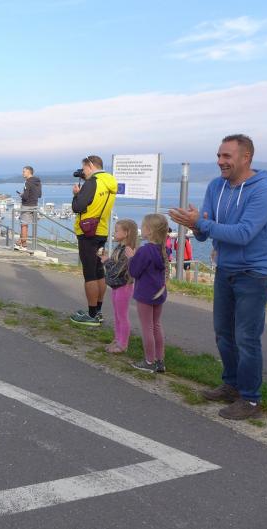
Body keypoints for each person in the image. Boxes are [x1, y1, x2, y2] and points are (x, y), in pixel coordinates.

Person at [169, 134, 267, 420]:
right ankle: (232, 385)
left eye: (226, 156)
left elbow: (243, 234)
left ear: (246, 157)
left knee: (246, 338)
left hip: (254, 274)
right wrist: (196, 225)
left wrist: (201, 223)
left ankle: (250, 400)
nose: (220, 161)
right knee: (224, 334)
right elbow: (204, 232)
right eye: (219, 155)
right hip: (226, 270)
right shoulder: (216, 186)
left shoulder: (265, 190)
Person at [69, 155, 117, 326]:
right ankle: (98, 311)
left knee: (89, 273)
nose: (83, 172)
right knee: (98, 271)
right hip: (101, 230)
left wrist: (76, 194)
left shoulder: (92, 183)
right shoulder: (109, 181)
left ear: (90, 165)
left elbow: (78, 207)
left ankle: (91, 315)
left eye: (84, 169)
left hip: (87, 231)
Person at [127, 214, 168, 373]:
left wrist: (131, 258)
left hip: (145, 293)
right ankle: (160, 361)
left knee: (147, 327)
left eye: (143, 226)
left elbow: (134, 271)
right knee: (156, 325)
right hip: (159, 293)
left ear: (149, 231)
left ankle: (149, 361)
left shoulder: (144, 251)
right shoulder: (162, 250)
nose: (141, 228)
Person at [100, 219, 137, 354]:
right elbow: (115, 266)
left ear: (126, 233)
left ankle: (123, 344)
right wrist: (107, 260)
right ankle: (117, 340)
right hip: (117, 286)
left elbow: (118, 270)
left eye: (116, 231)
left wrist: (106, 261)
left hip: (124, 286)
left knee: (122, 316)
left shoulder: (127, 250)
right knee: (117, 315)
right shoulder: (119, 247)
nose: (114, 233)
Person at [16, 165, 41, 251]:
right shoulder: (38, 181)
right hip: (34, 205)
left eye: (24, 171)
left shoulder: (27, 182)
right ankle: (19, 242)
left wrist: (21, 195)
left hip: (27, 205)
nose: (22, 173)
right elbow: (39, 195)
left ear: (29, 172)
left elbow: (25, 196)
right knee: (27, 225)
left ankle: (24, 245)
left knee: (24, 225)